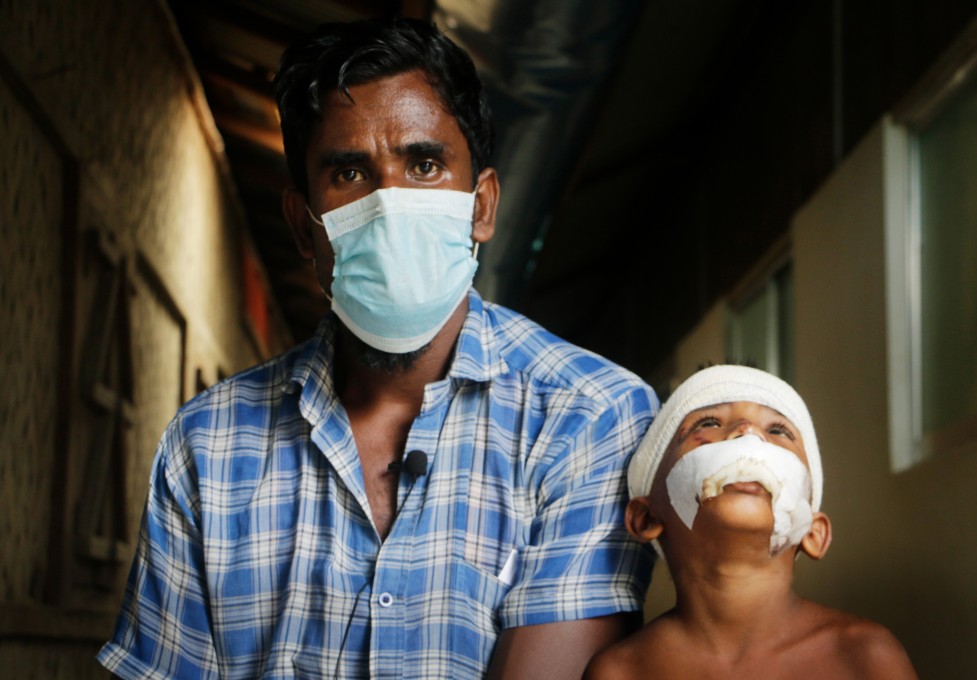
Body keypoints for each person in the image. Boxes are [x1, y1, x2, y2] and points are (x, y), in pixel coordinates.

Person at [97, 16, 659, 680]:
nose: (390, 203)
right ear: (303, 227)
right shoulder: (207, 444)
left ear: (481, 207)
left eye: (424, 164)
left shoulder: (590, 419)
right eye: (349, 172)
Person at [584, 364, 918, 680]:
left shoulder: (864, 655)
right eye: (709, 423)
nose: (748, 431)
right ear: (646, 517)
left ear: (813, 532)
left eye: (778, 431)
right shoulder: (621, 672)